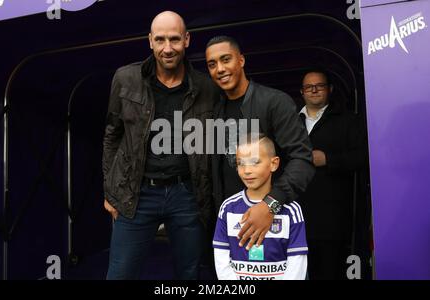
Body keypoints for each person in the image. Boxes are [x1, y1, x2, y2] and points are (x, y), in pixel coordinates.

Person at [102, 11, 218, 279]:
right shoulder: (125, 78)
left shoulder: (206, 87)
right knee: (120, 274)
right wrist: (110, 190)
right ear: (150, 41)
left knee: (188, 274)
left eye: (175, 39)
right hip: (136, 193)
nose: (168, 48)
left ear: (187, 40)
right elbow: (112, 135)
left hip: (186, 195)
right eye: (161, 40)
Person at [205, 36, 314, 251]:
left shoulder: (274, 102)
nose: (220, 69)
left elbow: (303, 160)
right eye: (212, 64)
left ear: (241, 60)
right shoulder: (213, 109)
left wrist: (270, 205)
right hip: (229, 222)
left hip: (271, 221)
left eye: (226, 59)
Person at [298, 69, 367, 280]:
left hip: (332, 218)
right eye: (309, 87)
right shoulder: (290, 121)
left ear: (330, 89)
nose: (314, 90)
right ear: (302, 92)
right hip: (297, 216)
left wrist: (329, 159)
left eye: (319, 85)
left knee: (330, 271)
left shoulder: (348, 120)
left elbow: (363, 157)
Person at [213, 134, 308, 280]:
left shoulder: (291, 210)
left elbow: (297, 262)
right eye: (240, 163)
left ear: (274, 164)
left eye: (255, 162)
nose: (247, 170)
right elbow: (221, 257)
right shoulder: (228, 207)